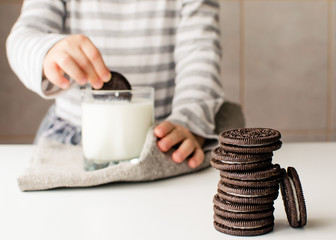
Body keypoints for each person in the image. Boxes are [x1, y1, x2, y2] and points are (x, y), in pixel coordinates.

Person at [6, 0, 224, 169]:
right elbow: (23, 37)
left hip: (160, 138)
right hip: (71, 136)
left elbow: (200, 55)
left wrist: (189, 120)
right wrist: (47, 51)